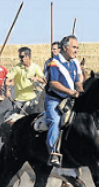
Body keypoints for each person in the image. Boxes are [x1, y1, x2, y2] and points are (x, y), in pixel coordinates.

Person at [45, 35, 83, 168]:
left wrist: (81, 90)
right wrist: (71, 92)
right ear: (65, 48)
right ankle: (53, 152)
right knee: (55, 121)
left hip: (70, 100)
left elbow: (77, 81)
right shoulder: (53, 63)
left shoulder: (72, 63)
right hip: (55, 100)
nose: (76, 50)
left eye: (77, 47)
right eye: (74, 47)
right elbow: (53, 83)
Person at [6, 47, 46, 115]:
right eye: (19, 57)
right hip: (19, 99)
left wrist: (37, 79)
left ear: (29, 56)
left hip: (32, 98)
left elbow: (44, 80)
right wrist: (7, 90)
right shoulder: (16, 68)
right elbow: (7, 79)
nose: (20, 59)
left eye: (22, 56)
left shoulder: (35, 67)